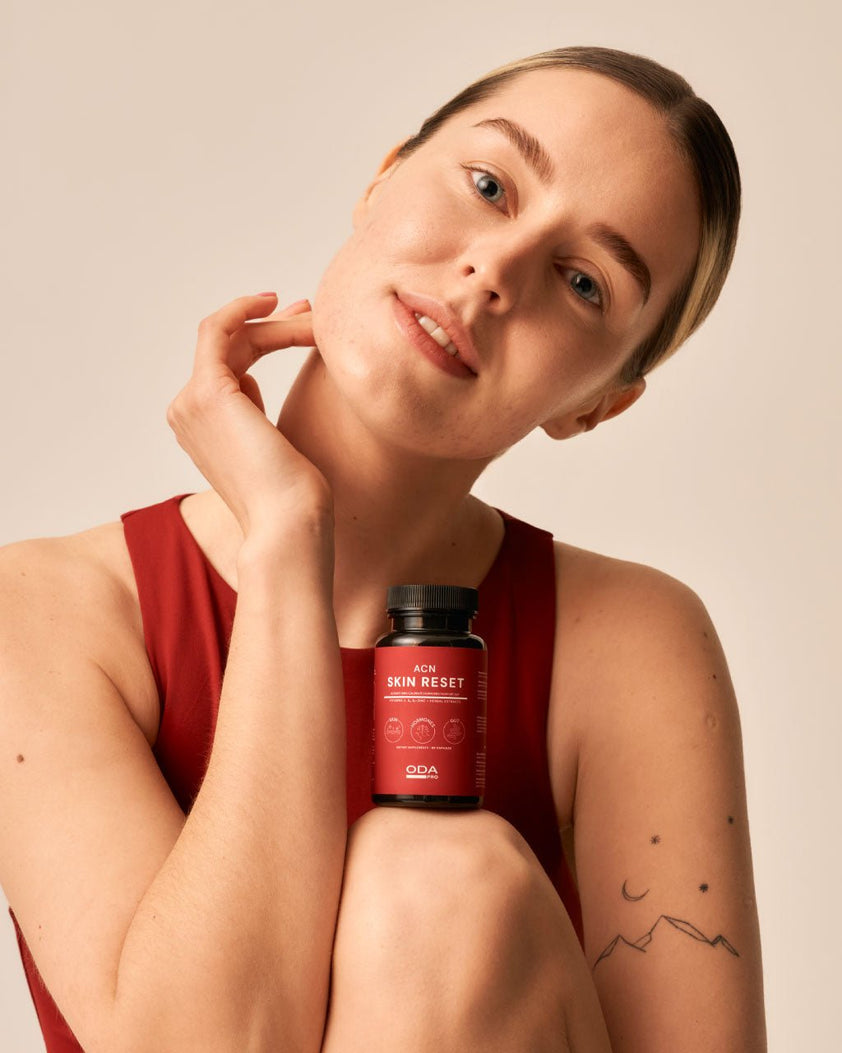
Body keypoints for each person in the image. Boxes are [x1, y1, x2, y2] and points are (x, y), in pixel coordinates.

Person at [0, 45, 766, 1052]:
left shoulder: (631, 646)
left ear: (598, 404)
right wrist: (287, 543)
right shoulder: (42, 611)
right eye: (488, 185)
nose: (493, 272)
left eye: (582, 282)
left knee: (437, 878)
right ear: (384, 176)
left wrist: (286, 543)